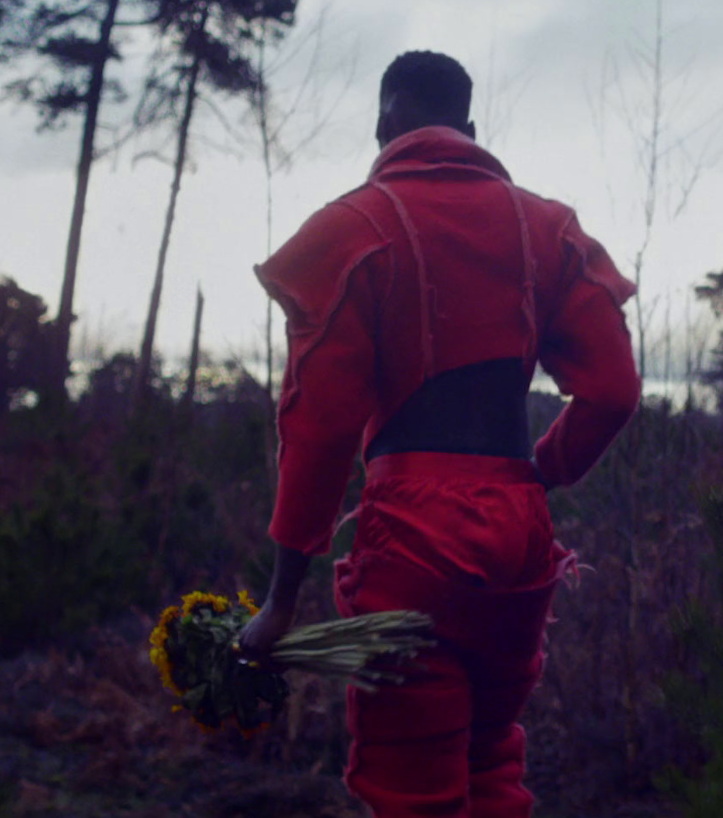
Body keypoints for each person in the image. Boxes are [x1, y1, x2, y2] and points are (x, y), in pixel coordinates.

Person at [237, 50, 642, 818]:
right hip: (519, 534)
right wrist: (543, 473)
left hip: (414, 541)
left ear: (384, 124)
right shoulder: (549, 229)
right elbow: (614, 393)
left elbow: (319, 431)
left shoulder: (353, 230)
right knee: (490, 766)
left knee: (410, 793)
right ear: (472, 128)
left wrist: (282, 602)